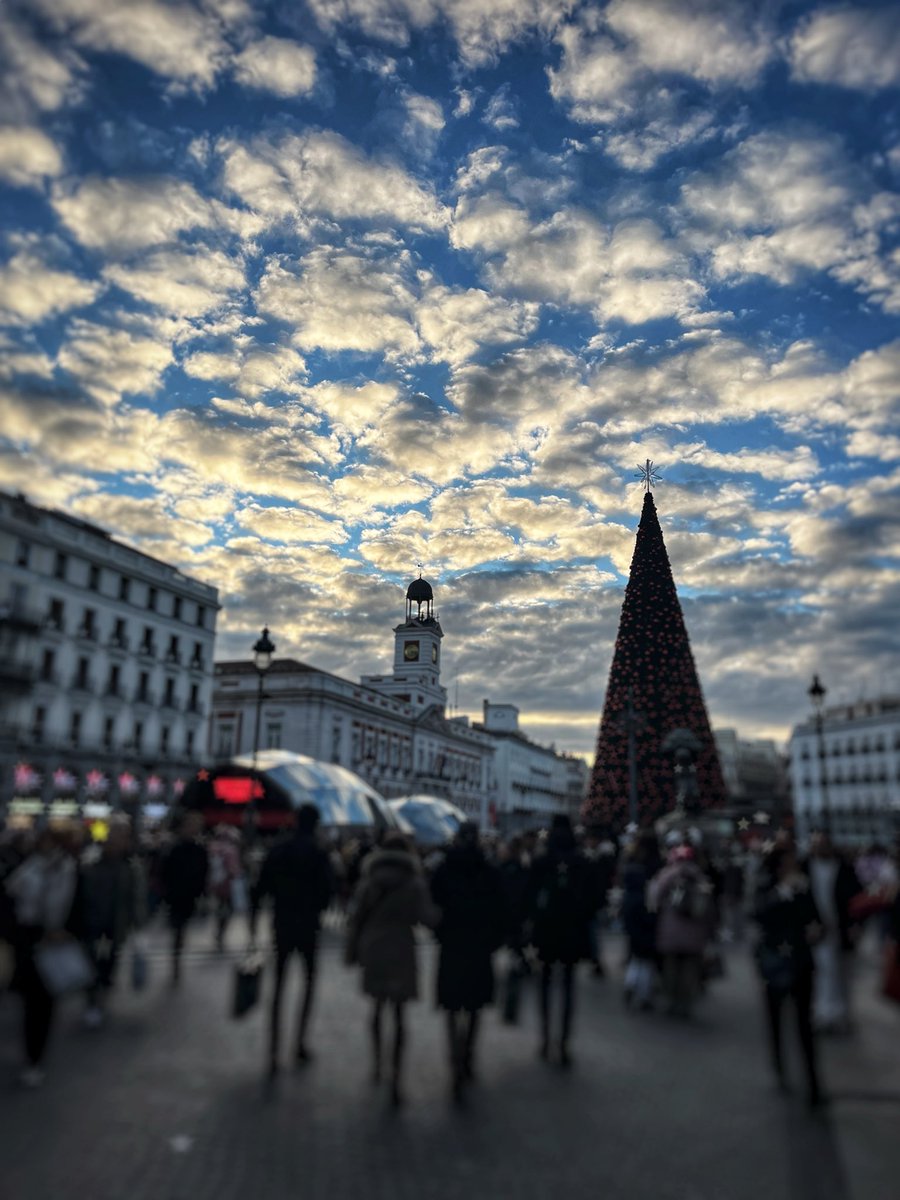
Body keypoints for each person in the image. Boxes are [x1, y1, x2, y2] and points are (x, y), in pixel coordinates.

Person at [345, 831, 436, 1107]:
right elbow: (426, 917)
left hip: (373, 947)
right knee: (399, 1015)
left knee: (376, 1008)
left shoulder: (370, 880)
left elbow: (356, 918)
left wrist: (351, 952)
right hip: (401, 948)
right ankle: (396, 1075)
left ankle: (377, 1063)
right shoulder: (414, 882)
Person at [252, 804, 334, 1075]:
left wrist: (254, 924)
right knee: (308, 983)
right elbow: (328, 891)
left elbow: (261, 887)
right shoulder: (319, 853)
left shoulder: (279, 849)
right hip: (309, 925)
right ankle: (299, 1041)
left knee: (278, 985)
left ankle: (273, 1048)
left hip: (282, 922)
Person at [431, 823, 506, 1104]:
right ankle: (468, 1054)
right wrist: (493, 941)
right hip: (479, 948)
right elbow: (500, 909)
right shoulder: (489, 871)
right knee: (474, 1007)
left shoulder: (443, 869)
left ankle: (455, 1056)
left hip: (451, 947)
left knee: (451, 1007)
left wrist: (441, 934)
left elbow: (434, 906)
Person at [6, 824, 82, 1086]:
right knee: (28, 1001)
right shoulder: (28, 868)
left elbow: (78, 908)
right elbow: (10, 902)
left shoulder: (70, 871)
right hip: (27, 942)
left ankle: (35, 1058)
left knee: (43, 1003)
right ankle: (31, 1054)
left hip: (54, 942)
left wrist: (65, 931)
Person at [753, 844, 826, 1108]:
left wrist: (817, 930)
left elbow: (817, 918)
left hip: (801, 962)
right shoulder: (767, 885)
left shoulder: (803, 886)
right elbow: (760, 914)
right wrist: (783, 891)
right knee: (775, 1018)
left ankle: (813, 1083)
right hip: (775, 962)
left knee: (804, 1024)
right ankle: (780, 1068)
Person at [526, 814, 599, 1066]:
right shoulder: (581, 861)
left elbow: (529, 895)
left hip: (546, 930)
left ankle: (545, 1037)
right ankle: (564, 1041)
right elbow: (593, 897)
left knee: (545, 983)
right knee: (568, 985)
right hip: (572, 930)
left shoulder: (542, 860)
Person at [81, 817, 146, 1026]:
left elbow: (135, 898)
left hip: (115, 924)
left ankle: (100, 1000)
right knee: (90, 963)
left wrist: (138, 923)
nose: (116, 840)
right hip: (90, 923)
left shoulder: (131, 867)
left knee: (108, 964)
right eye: (113, 834)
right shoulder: (90, 861)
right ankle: (92, 1000)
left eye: (122, 836)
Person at [804, 831, 862, 1034]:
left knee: (841, 973)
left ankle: (840, 1013)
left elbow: (857, 899)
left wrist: (855, 925)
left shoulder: (844, 869)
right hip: (816, 930)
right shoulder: (805, 868)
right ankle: (822, 1013)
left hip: (841, 928)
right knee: (821, 971)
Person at [649, 843, 714, 1018]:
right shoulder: (700, 877)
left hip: (671, 931)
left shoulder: (667, 874)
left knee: (671, 967)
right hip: (695, 933)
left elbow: (654, 898)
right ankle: (686, 1002)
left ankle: (671, 1000)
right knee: (689, 969)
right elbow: (709, 907)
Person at [161, 812, 208, 985]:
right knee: (178, 929)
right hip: (176, 895)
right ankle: (176, 961)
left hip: (189, 896)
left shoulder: (199, 850)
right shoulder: (175, 849)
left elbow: (203, 873)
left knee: (181, 930)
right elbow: (165, 872)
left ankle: (177, 959)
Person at [620, 830, 661, 1012]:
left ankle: (631, 982)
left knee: (636, 954)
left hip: (631, 909)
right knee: (647, 958)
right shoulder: (655, 865)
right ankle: (644, 995)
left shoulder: (631, 862)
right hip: (649, 911)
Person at [207, 825, 244, 951]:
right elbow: (234, 870)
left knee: (221, 908)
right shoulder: (231, 850)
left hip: (216, 885)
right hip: (228, 886)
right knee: (228, 910)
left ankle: (219, 932)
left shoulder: (213, 848)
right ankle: (221, 933)